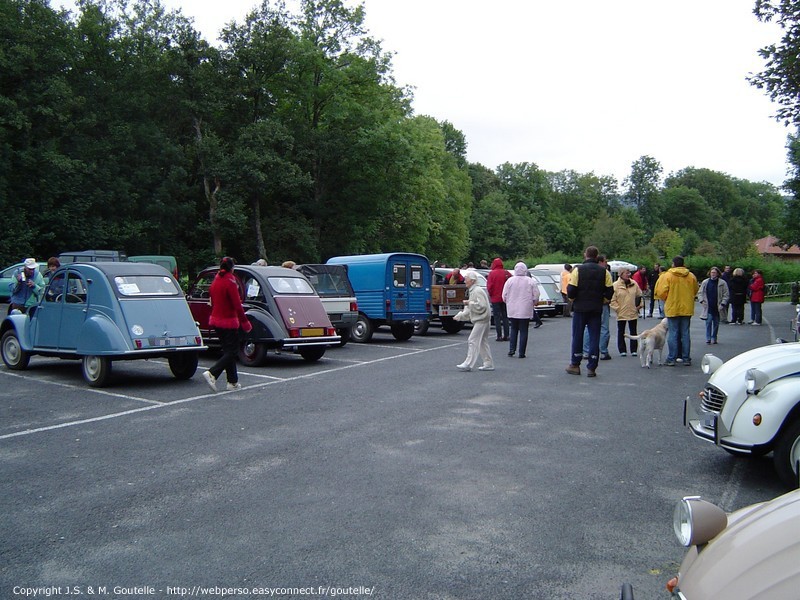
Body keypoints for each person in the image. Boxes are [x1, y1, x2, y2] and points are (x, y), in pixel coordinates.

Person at [202, 257, 253, 392]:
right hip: (228, 321)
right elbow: (237, 304)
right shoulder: (230, 281)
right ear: (232, 267)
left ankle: (232, 382)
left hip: (216, 320)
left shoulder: (216, 279)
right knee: (232, 351)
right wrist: (245, 322)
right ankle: (213, 373)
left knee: (228, 351)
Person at [566, 246, 613, 378]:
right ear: (597, 256)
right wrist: (603, 300)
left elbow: (571, 289)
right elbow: (610, 291)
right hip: (596, 308)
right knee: (594, 336)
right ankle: (592, 366)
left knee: (577, 336)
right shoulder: (604, 272)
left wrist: (573, 299)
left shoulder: (578, 270)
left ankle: (575, 364)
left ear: (585, 254)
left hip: (580, 307)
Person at [655, 256, 699, 366]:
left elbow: (661, 292)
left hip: (672, 307)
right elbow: (695, 290)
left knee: (673, 333)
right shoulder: (691, 276)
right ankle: (686, 358)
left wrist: (667, 298)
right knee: (685, 333)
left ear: (673, 263)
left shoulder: (668, 276)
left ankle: (671, 358)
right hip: (687, 308)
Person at [456, 271, 493, 372]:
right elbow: (472, 307)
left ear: (472, 281)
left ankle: (468, 363)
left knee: (472, 340)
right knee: (482, 342)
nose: (464, 280)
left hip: (482, 319)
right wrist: (460, 316)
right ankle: (488, 363)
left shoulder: (476, 291)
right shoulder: (474, 290)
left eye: (466, 278)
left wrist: (469, 303)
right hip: (484, 319)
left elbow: (482, 306)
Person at [502, 261, 539, 359]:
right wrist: (534, 302)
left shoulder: (510, 281)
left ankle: (511, 350)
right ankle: (522, 352)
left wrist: (508, 302)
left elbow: (504, 295)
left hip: (512, 309)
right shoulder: (530, 281)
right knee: (524, 330)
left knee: (513, 329)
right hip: (525, 308)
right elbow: (536, 295)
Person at [582, 255, 612, 360]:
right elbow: (609, 290)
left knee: (587, 327)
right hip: (601, 303)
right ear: (600, 262)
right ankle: (603, 351)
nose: (606, 264)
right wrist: (606, 300)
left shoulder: (583, 271)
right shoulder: (604, 273)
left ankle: (586, 351)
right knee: (603, 327)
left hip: (587, 303)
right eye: (605, 261)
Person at [610, 267, 642, 356]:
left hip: (633, 311)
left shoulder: (634, 283)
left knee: (633, 331)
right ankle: (622, 350)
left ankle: (634, 350)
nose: (629, 275)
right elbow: (612, 300)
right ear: (621, 274)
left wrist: (639, 306)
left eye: (629, 273)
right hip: (621, 312)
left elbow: (639, 295)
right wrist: (617, 309)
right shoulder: (615, 285)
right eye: (626, 273)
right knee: (621, 331)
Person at [698, 266, 730, 344]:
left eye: (715, 273)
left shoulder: (722, 283)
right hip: (708, 306)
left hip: (718, 306)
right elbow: (700, 292)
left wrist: (723, 304)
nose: (713, 274)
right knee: (708, 322)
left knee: (716, 324)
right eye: (712, 272)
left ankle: (714, 337)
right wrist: (701, 301)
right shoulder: (705, 282)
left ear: (718, 273)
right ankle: (708, 338)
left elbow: (726, 294)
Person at [486, 257, 511, 341]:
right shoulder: (506, 273)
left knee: (497, 317)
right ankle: (507, 335)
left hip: (495, 298)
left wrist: (491, 295)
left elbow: (490, 287)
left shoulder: (492, 274)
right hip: (505, 298)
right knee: (505, 316)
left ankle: (499, 335)